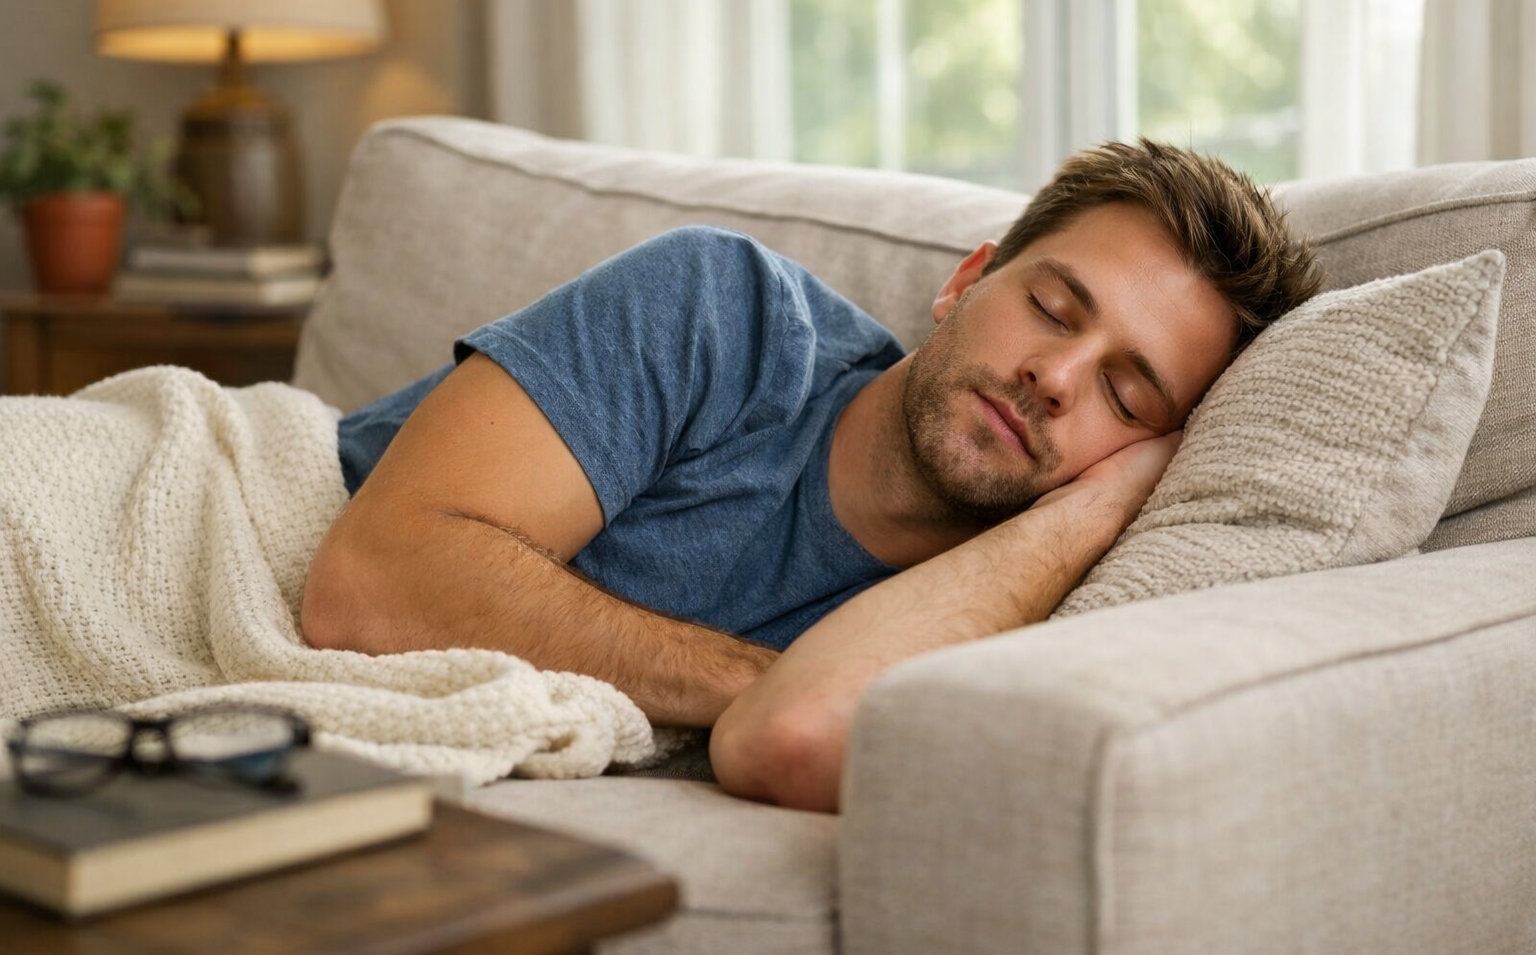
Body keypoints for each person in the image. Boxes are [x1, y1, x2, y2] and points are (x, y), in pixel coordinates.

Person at [299, 138, 1322, 813]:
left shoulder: (1018, 602)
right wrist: (751, 673)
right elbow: (372, 580)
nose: (1053, 377)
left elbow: (792, 736)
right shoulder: (723, 309)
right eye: (1054, 309)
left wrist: (1082, 516)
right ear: (966, 279)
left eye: (1128, 395)